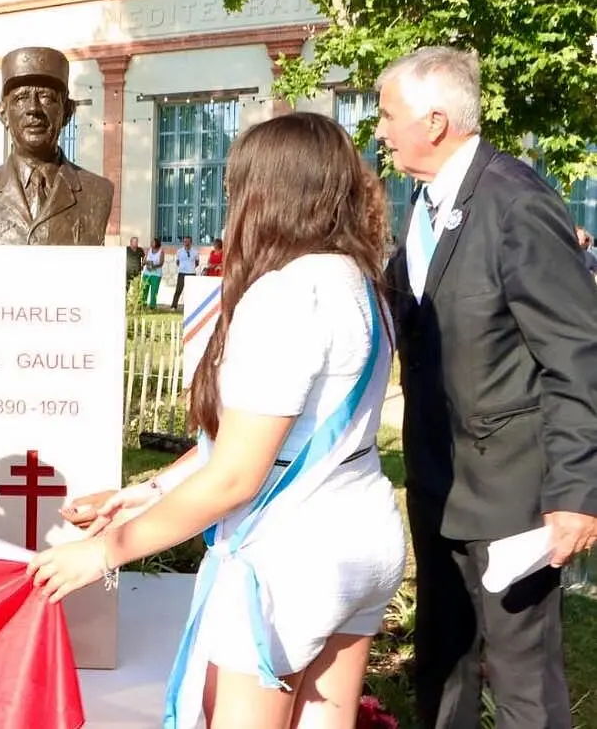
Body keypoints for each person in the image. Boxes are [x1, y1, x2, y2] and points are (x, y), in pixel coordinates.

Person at [29, 113, 405, 729]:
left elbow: (235, 476)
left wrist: (102, 553)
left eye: (235, 186)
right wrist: (146, 491)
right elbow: (273, 438)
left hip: (291, 554)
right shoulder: (359, 282)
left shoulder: (285, 294)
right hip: (362, 536)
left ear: (266, 193)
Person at [380, 46, 597, 728]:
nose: (379, 131)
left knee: (521, 679)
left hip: (511, 494)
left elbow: (576, 354)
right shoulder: (422, 201)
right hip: (438, 481)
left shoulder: (516, 202)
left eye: (386, 115)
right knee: (441, 662)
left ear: (434, 122)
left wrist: (574, 494)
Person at [0, 46, 113, 246]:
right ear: (3, 114)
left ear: (67, 112)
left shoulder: (97, 191)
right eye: (21, 98)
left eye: (46, 97)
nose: (33, 108)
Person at [169, 235, 198, 309]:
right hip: (182, 273)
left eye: (188, 241)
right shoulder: (179, 251)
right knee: (178, 290)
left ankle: (191, 307)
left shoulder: (195, 252)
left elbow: (197, 262)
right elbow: (177, 262)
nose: (186, 243)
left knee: (191, 291)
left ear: (191, 242)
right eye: (185, 241)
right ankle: (174, 306)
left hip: (191, 273)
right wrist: (183, 267)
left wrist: (190, 267)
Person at [141, 238, 164, 309]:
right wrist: (144, 263)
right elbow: (144, 260)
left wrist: (153, 266)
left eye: (153, 242)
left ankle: (152, 306)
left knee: (154, 291)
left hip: (156, 274)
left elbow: (161, 263)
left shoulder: (161, 252)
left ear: (157, 243)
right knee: (144, 289)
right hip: (146, 273)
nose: (151, 243)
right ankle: (142, 304)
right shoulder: (149, 250)